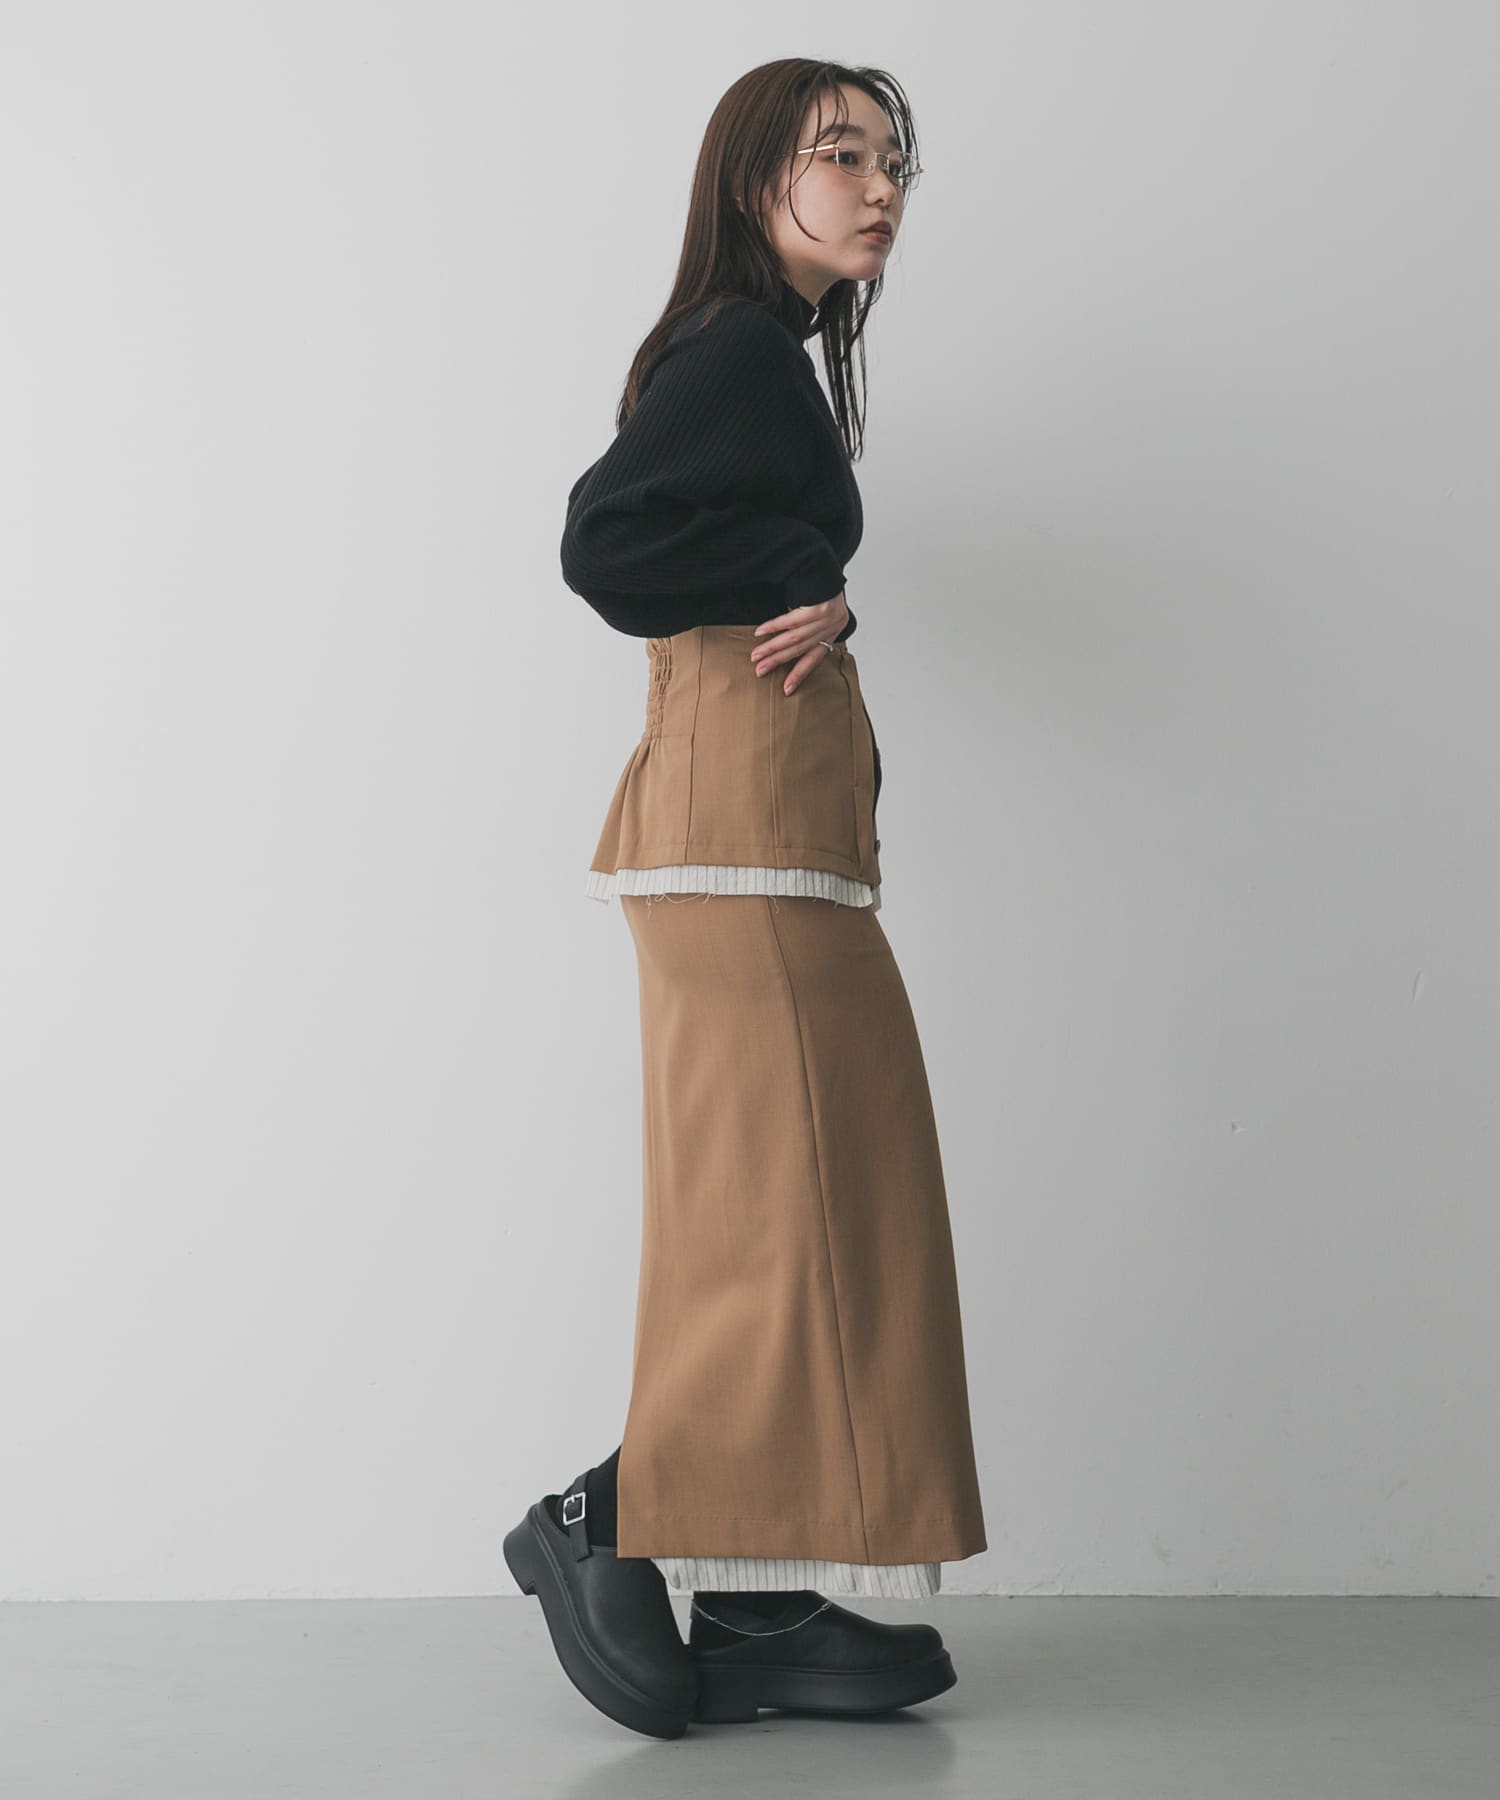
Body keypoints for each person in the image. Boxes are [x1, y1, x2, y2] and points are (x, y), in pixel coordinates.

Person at [503, 58, 987, 1739]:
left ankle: (760, 1593)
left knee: (813, 1208)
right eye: (840, 155)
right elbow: (605, 544)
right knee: (783, 1218)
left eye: (892, 161)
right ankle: (608, 1517)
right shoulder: (732, 351)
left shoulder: (763, 357)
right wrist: (795, 573)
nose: (879, 186)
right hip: (738, 848)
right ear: (750, 181)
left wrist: (818, 597)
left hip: (768, 841)